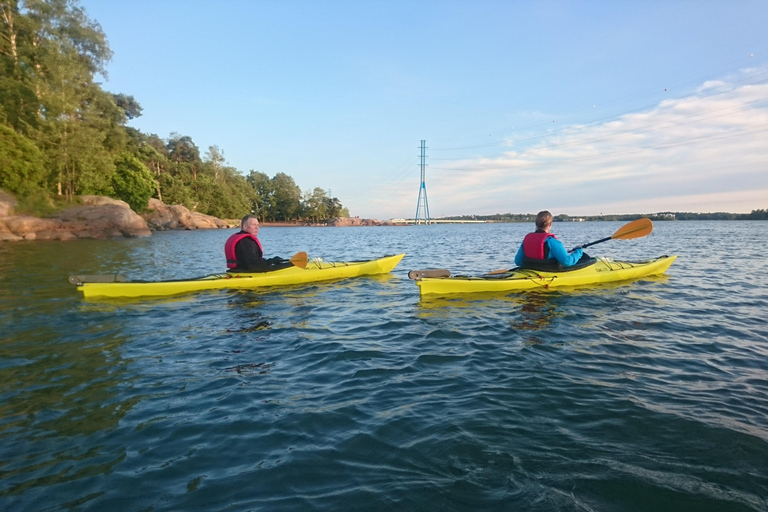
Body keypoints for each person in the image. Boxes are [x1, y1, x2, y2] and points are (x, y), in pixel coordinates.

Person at [514, 210, 584, 268]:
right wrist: (578, 251)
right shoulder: (553, 242)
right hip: (548, 273)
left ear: (536, 224)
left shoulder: (526, 240)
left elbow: (518, 261)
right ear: (550, 224)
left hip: (530, 271)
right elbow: (567, 262)